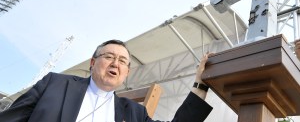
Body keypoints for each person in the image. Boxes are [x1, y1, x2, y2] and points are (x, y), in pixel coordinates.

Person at [0, 39, 213, 122]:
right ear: (93, 63)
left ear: (126, 73)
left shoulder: (133, 113)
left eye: (122, 61)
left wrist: (200, 83)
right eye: (109, 57)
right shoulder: (54, 85)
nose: (115, 64)